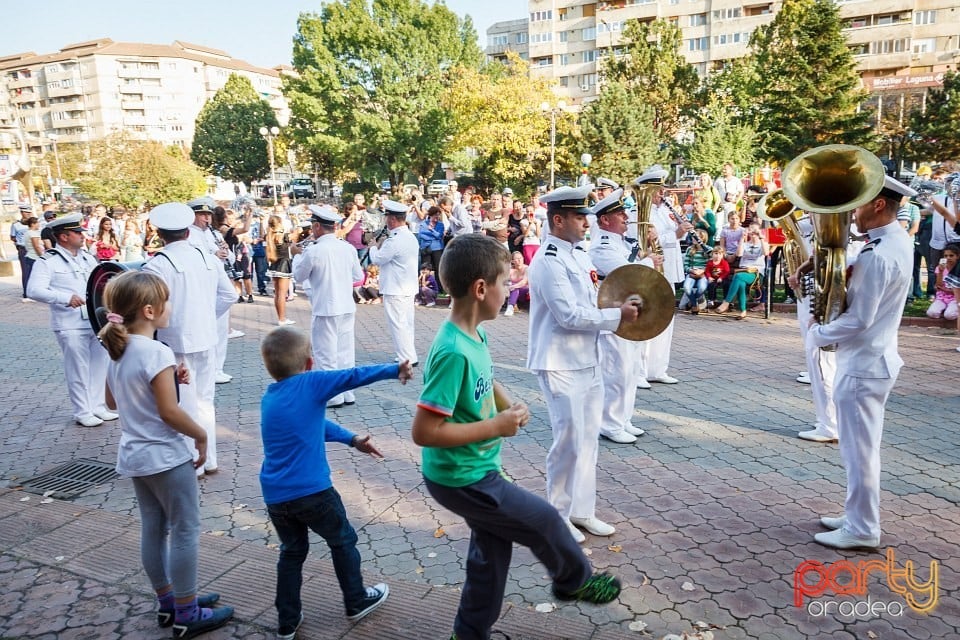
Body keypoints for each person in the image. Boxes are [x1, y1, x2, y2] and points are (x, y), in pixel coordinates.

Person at [412, 234, 622, 640]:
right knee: (543, 518)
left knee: (490, 554)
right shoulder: (452, 349)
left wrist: (507, 404)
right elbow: (424, 432)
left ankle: (469, 633)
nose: (511, 290)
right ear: (480, 289)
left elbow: (485, 379)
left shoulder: (474, 335)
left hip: (477, 468)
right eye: (506, 283)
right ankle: (573, 580)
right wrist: (495, 426)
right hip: (462, 477)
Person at [98, 271, 233, 638]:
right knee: (186, 530)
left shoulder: (119, 347)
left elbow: (113, 400)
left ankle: (169, 602)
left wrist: (170, 377)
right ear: (149, 310)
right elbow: (169, 413)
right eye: (166, 301)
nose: (170, 307)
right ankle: (187, 613)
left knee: (153, 529)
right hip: (165, 456)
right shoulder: (156, 351)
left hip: (135, 456)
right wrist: (202, 435)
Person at [259, 326, 412, 639]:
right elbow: (351, 376)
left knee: (292, 551)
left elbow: (312, 424)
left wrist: (352, 439)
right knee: (343, 540)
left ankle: (287, 621)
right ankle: (356, 599)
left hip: (276, 497)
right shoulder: (311, 383)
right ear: (310, 363)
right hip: (313, 493)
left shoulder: (270, 397)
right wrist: (393, 369)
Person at [527, 185, 640, 543]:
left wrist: (620, 303)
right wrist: (616, 316)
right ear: (557, 220)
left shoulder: (578, 255)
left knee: (589, 439)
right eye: (579, 217)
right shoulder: (547, 260)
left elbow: (593, 301)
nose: (585, 223)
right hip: (559, 361)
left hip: (587, 358)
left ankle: (582, 510)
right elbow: (568, 315)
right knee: (568, 441)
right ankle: (557, 516)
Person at [809, 176, 915, 550]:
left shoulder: (878, 254)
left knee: (860, 454)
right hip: (873, 361)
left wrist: (818, 333)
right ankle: (856, 516)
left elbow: (858, 319)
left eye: (859, 203)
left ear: (878, 205)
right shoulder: (895, 243)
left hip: (863, 365)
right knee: (859, 451)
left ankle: (862, 528)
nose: (853, 212)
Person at [143, 203, 236, 475]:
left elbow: (151, 309)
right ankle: (210, 459)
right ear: (187, 233)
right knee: (205, 402)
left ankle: (193, 462)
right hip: (207, 337)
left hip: (174, 341)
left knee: (184, 403)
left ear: (160, 234)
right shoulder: (208, 258)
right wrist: (207, 315)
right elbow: (229, 296)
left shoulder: (157, 264)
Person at [26, 213, 117, 428]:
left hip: (94, 320)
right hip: (70, 323)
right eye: (77, 233)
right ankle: (82, 411)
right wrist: (64, 298)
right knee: (77, 368)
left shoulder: (87, 257)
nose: (82, 236)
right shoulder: (48, 261)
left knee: (99, 365)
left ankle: (97, 406)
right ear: (64, 236)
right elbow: (34, 290)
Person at [588, 188, 660, 445]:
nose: (625, 217)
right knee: (616, 372)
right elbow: (628, 273)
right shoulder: (602, 246)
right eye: (620, 214)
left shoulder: (618, 242)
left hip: (628, 313)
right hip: (613, 314)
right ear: (605, 220)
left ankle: (623, 418)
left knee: (629, 370)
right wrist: (650, 261)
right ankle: (609, 423)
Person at [291, 205, 365, 409]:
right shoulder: (347, 248)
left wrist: (296, 254)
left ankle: (333, 397)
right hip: (346, 306)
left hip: (325, 306)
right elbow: (359, 277)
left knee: (326, 353)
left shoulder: (314, 250)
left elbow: (298, 276)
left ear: (316, 226)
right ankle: (347, 392)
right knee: (345, 352)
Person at [368, 200, 420, 366]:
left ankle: (406, 358)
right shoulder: (409, 236)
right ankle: (408, 354)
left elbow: (378, 259)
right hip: (407, 286)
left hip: (395, 287)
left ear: (392, 219)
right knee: (406, 323)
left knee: (398, 324)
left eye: (387, 217)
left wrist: (373, 246)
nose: (386, 221)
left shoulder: (395, 240)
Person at [715, 223, 768, 319]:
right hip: (743, 270)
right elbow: (739, 254)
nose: (753, 233)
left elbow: (766, 253)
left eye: (755, 230)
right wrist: (742, 238)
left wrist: (761, 237)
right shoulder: (745, 244)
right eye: (751, 230)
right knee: (740, 283)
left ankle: (726, 302)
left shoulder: (763, 243)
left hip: (756, 273)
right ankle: (743, 311)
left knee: (738, 277)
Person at [265, 214, 296, 326]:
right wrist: (295, 220)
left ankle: (280, 317)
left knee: (278, 293)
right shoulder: (283, 236)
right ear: (279, 223)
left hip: (274, 264)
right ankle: (282, 319)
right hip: (283, 264)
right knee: (282, 294)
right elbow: (296, 235)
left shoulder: (269, 235)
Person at [926, 243, 960, 319]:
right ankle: (944, 309)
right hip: (942, 297)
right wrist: (941, 272)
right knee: (932, 313)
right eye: (946, 256)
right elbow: (939, 285)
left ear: (957, 256)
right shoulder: (940, 267)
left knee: (949, 316)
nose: (948, 258)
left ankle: (950, 311)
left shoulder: (958, 269)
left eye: (951, 255)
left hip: (956, 298)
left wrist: (947, 290)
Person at [504, 251, 528, 316]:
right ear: (513, 261)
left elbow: (524, 282)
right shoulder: (510, 270)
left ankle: (511, 306)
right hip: (513, 293)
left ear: (523, 258)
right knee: (513, 287)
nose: (519, 260)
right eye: (516, 259)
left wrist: (513, 286)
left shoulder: (527, 269)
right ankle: (511, 306)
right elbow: (504, 282)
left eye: (520, 258)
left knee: (514, 287)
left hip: (525, 293)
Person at [22, 217, 43, 288]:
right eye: (37, 223)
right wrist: (43, 257)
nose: (39, 225)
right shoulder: (33, 234)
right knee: (37, 277)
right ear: (33, 224)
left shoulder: (27, 232)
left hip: (30, 256)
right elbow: (37, 247)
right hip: (35, 257)